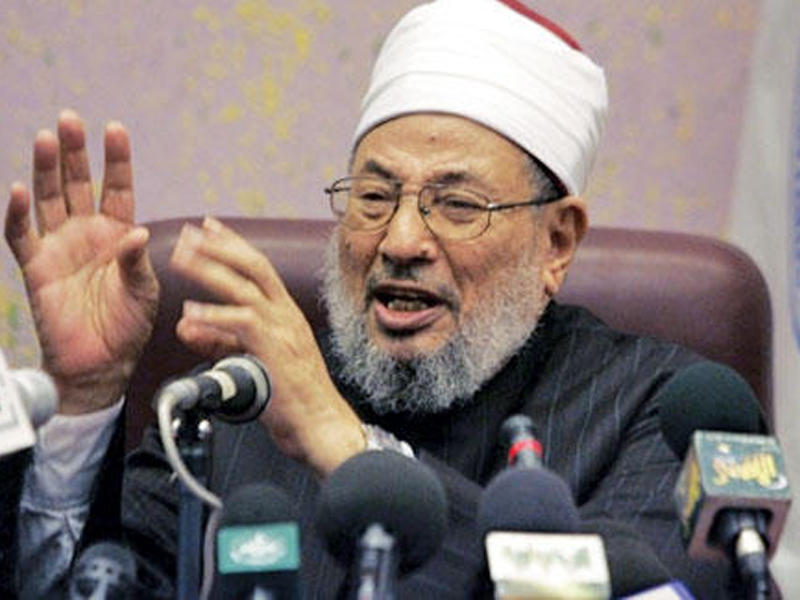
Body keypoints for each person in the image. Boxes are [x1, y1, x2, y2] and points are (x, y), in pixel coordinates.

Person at [1, 0, 741, 597]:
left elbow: (655, 591)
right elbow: (102, 583)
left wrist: (349, 450)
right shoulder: (236, 405)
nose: (402, 240)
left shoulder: (666, 411)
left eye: (457, 204)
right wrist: (85, 400)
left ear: (557, 242)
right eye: (375, 196)